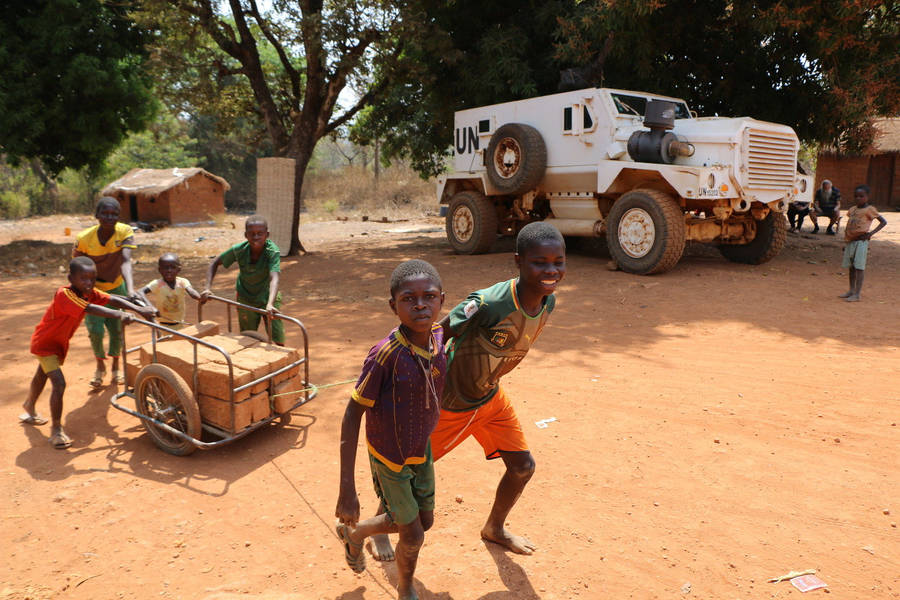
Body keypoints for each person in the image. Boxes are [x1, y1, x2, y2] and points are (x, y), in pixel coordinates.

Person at [370, 222, 566, 562]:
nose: (550, 270)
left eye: (558, 261)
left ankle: (494, 529)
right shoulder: (488, 302)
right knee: (404, 470)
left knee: (522, 467)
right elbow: (438, 332)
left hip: (490, 400)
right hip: (448, 405)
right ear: (519, 261)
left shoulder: (547, 304)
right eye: (539, 262)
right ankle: (379, 526)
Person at [335, 260, 446, 600]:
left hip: (419, 448)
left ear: (442, 300)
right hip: (389, 455)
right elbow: (352, 414)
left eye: (429, 297)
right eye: (408, 299)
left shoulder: (440, 337)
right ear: (393, 306)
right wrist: (346, 489)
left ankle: (356, 535)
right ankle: (406, 586)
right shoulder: (384, 356)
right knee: (413, 535)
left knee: (422, 521)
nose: (420, 305)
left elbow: (470, 317)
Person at [21, 257, 155, 448]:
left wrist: (137, 308)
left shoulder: (88, 292)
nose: (89, 283)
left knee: (41, 374)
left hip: (58, 343)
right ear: (71, 277)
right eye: (83, 279)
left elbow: (111, 298)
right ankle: (56, 430)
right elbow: (91, 308)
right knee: (59, 383)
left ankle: (29, 405)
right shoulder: (64, 294)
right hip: (45, 344)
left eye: (92, 279)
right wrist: (120, 314)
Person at [73, 197, 138, 387]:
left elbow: (126, 261)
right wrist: (84, 292)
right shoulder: (84, 239)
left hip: (117, 287)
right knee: (95, 331)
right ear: (97, 215)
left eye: (114, 214)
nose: (110, 217)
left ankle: (116, 367)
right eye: (105, 213)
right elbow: (77, 269)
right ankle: (100, 365)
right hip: (93, 291)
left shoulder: (124, 231)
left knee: (117, 330)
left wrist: (131, 289)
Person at [200, 216, 284, 344]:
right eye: (252, 234)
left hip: (268, 296)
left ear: (267, 234)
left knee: (277, 338)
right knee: (247, 338)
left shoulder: (272, 251)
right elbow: (214, 263)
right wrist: (207, 288)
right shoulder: (240, 250)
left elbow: (275, 277)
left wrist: (270, 303)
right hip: (246, 298)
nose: (256, 237)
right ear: (246, 235)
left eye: (260, 234)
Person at [839, 185, 887, 302]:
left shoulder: (870, 209)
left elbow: (883, 222)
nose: (858, 198)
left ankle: (857, 294)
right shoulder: (852, 210)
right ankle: (851, 290)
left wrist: (870, 234)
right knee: (851, 267)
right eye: (856, 196)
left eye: (861, 196)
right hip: (851, 241)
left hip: (861, 242)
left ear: (867, 197)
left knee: (859, 267)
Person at [138, 253, 201, 328]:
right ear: (160, 270)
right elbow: (140, 292)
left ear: (179, 269)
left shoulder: (182, 282)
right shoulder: (157, 284)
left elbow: (191, 291)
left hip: (180, 324)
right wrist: (150, 306)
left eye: (173, 267)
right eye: (165, 268)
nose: (169, 270)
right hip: (162, 325)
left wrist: (200, 297)